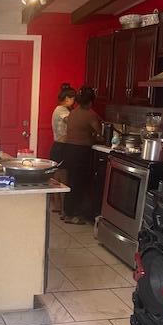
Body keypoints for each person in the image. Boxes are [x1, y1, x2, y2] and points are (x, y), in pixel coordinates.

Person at [63, 85, 102, 224]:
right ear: (90, 102)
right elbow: (99, 132)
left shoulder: (73, 112)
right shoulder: (90, 114)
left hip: (69, 150)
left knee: (71, 181)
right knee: (78, 184)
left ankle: (66, 211)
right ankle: (71, 215)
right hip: (81, 152)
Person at [50, 83, 76, 214]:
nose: (74, 102)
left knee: (57, 177)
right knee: (63, 178)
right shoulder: (63, 111)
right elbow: (72, 122)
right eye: (73, 99)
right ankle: (63, 209)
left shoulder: (58, 109)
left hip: (57, 147)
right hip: (62, 147)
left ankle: (57, 206)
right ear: (67, 99)